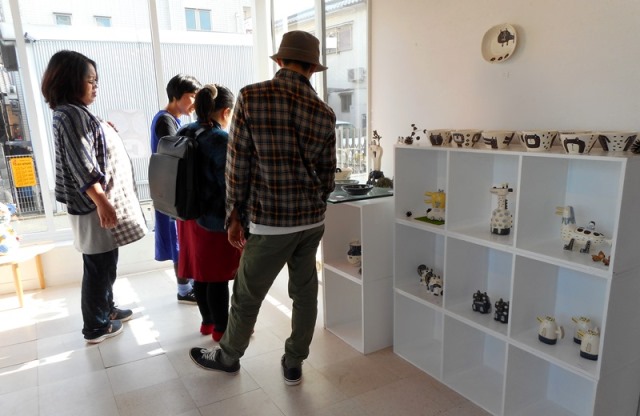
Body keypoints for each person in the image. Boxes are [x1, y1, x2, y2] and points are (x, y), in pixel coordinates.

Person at [189, 30, 336, 386]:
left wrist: (234, 215)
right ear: (312, 67)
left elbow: (237, 164)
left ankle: (228, 357)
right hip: (311, 221)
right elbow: (327, 174)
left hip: (270, 222)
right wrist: (313, 201)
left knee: (246, 294)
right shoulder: (324, 112)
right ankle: (294, 362)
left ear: (281, 61)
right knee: (305, 293)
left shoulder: (252, 96)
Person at [41, 50, 147, 343]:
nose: (95, 86)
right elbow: (82, 163)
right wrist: (102, 201)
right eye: (90, 80)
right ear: (70, 80)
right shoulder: (71, 115)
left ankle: (106, 309)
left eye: (96, 80)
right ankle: (96, 326)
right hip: (92, 205)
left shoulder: (75, 112)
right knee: (98, 266)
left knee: (106, 262)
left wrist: (104, 129)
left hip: (95, 203)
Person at [177, 84, 241, 341]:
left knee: (201, 274)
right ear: (226, 112)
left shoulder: (185, 131)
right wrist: (237, 218)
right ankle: (222, 330)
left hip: (187, 216)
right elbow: (229, 186)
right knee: (218, 277)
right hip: (214, 220)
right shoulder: (220, 139)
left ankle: (207, 323)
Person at [150, 74, 201, 304]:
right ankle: (183, 290)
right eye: (191, 96)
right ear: (176, 96)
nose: (194, 103)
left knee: (179, 240)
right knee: (177, 241)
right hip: (171, 193)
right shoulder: (165, 120)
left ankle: (188, 285)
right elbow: (175, 153)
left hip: (170, 190)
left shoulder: (173, 119)